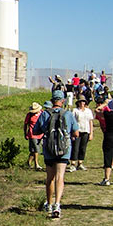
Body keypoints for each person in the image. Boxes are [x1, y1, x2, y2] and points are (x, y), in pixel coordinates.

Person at [33, 90, 79, 218]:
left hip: (48, 149)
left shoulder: (44, 114)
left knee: (50, 178)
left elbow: (36, 130)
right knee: (60, 177)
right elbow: (76, 133)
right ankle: (57, 204)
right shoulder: (68, 114)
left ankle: (49, 203)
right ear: (62, 101)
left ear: (52, 101)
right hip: (64, 150)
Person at [69, 95, 94, 172]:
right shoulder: (75, 110)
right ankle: (73, 163)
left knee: (83, 147)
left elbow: (90, 122)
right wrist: (72, 132)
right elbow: (72, 121)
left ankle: (80, 163)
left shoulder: (88, 111)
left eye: (83, 102)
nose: (82, 103)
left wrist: (91, 133)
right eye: (80, 102)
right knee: (75, 147)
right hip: (77, 131)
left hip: (85, 130)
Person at [24, 102, 44, 170]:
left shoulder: (42, 113)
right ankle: (36, 164)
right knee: (36, 149)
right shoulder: (29, 115)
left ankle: (28, 163)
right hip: (32, 134)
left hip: (40, 134)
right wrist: (25, 133)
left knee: (33, 150)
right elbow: (26, 124)